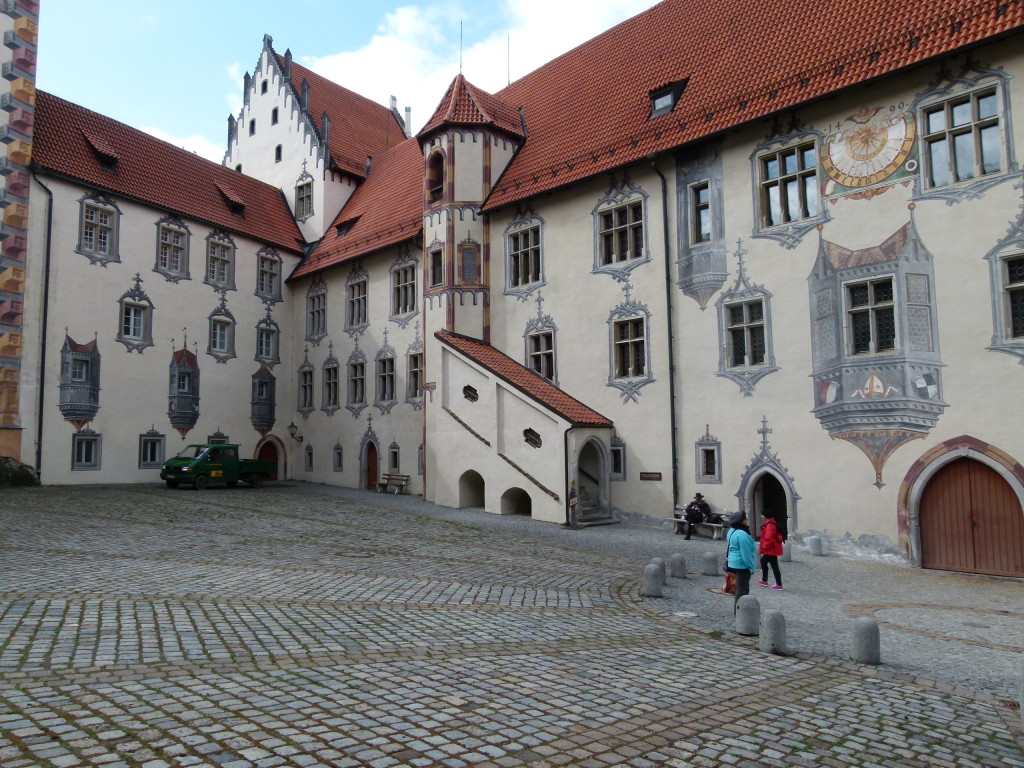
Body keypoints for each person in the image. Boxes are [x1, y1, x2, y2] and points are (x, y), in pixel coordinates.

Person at [725, 511, 756, 613]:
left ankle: (739, 609)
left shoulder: (731, 531)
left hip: (733, 563)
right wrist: (751, 567)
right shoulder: (742, 534)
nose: (747, 520)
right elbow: (745, 554)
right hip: (741, 565)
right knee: (742, 589)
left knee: (739, 587)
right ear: (742, 521)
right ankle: (740, 611)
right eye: (745, 518)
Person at [757, 509, 784, 590]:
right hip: (771, 548)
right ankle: (765, 580)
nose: (761, 516)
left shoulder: (769, 525)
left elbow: (769, 538)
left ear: (765, 516)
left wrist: (764, 547)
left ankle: (778, 584)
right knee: (766, 562)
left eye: (762, 515)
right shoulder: (768, 523)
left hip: (771, 549)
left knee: (772, 565)